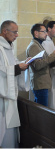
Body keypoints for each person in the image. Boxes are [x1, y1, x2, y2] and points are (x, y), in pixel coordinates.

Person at [0, 20, 30, 148]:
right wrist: (18, 68)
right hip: (2, 98)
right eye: (15, 32)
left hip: (9, 97)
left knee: (9, 126)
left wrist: (24, 62)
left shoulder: (8, 46)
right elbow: (1, 70)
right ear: (5, 31)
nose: (17, 35)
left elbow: (12, 64)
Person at [26, 23, 55, 107]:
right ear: (36, 33)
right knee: (42, 110)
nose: (46, 34)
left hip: (42, 83)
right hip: (40, 83)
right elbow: (38, 65)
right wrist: (53, 55)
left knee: (40, 108)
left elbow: (44, 62)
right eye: (43, 32)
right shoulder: (34, 46)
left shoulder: (38, 45)